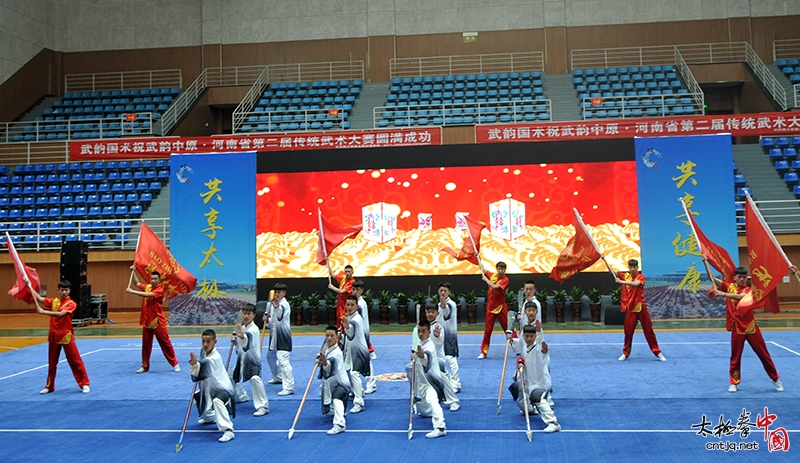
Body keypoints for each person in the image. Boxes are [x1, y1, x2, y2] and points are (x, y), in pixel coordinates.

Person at [702, 257, 784, 393]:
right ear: (734, 278)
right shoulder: (730, 287)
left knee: (764, 354)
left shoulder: (749, 290)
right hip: (737, 328)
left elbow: (741, 298)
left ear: (747, 279)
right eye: (739, 277)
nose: (742, 279)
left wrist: (723, 294)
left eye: (744, 277)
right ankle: (734, 382)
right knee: (735, 356)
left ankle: (775, 379)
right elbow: (712, 279)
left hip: (751, 327)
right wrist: (705, 262)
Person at [30, 280, 90, 394]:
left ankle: (84, 383)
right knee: (52, 363)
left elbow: (60, 314)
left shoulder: (71, 303)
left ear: (69, 291)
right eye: (62, 290)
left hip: (66, 335)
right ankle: (49, 386)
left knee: (75, 361)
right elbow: (39, 299)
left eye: (66, 290)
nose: (64, 292)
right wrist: (30, 286)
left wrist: (44, 312)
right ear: (58, 290)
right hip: (53, 336)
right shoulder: (54, 301)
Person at [605, 258, 666, 362]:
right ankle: (625, 353)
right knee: (628, 332)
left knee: (649, 331)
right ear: (628, 267)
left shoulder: (640, 277)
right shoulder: (625, 276)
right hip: (630, 309)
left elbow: (636, 284)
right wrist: (604, 259)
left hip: (641, 307)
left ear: (637, 268)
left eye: (634, 267)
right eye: (631, 267)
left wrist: (621, 282)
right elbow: (612, 271)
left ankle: (657, 352)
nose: (632, 269)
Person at [506, 325, 561, 433]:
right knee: (515, 388)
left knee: (536, 397)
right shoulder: (524, 349)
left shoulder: (538, 349)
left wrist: (544, 352)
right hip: (527, 381)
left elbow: (543, 358)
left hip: (540, 383)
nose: (529, 339)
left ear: (535, 336)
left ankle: (553, 423)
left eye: (531, 336)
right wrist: (520, 362)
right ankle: (529, 410)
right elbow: (521, 357)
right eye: (526, 336)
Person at [126, 266, 179, 374]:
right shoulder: (148, 286)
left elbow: (147, 295)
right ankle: (145, 365)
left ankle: (174, 363)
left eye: (155, 279)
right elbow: (136, 283)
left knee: (165, 342)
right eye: (152, 279)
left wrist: (132, 292)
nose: (153, 280)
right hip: (147, 320)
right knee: (146, 344)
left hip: (157, 320)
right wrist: (133, 271)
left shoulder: (159, 290)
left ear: (159, 280)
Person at [190, 329, 236, 443]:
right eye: (203, 341)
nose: (205, 344)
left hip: (223, 389)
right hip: (209, 389)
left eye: (208, 341)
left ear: (215, 342)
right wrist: (196, 366)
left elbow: (200, 371)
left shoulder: (214, 358)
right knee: (197, 397)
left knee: (217, 401)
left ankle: (228, 430)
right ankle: (210, 418)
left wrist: (195, 365)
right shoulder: (203, 352)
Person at [407, 318, 447, 438]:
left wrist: (420, 356)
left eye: (423, 331)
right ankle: (428, 413)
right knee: (423, 404)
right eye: (419, 331)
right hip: (423, 382)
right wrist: (415, 356)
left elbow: (425, 357)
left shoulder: (429, 346)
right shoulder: (422, 344)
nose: (420, 334)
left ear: (429, 332)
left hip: (431, 382)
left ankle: (440, 427)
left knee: (432, 401)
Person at [231, 303, 270, 416]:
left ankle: (263, 406)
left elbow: (246, 340)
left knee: (255, 379)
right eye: (244, 313)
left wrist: (241, 336)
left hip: (253, 360)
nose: (246, 316)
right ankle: (241, 396)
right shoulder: (242, 328)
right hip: (242, 359)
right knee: (232, 377)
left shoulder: (253, 329)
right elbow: (240, 347)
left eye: (249, 314)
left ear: (253, 315)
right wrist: (235, 342)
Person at [421, 302, 459, 411]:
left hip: (438, 359)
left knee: (444, 380)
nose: (430, 314)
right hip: (425, 358)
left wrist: (437, 336)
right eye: (428, 312)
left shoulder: (439, 326)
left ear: (437, 313)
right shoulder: (422, 326)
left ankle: (453, 400)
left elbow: (440, 342)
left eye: (432, 312)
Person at [318, 325, 351, 435]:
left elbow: (329, 364)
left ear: (337, 337)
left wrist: (324, 363)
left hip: (341, 384)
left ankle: (339, 424)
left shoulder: (336, 353)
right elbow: (322, 354)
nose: (329, 338)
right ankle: (338, 411)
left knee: (337, 398)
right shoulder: (327, 348)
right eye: (327, 336)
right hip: (332, 383)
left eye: (332, 336)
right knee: (322, 389)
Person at [341, 295, 370, 413]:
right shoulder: (350, 317)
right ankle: (358, 391)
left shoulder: (356, 319)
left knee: (354, 373)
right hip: (350, 349)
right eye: (347, 305)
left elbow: (351, 334)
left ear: (357, 306)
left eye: (352, 305)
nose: (349, 307)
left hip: (358, 350)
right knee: (347, 370)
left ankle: (359, 402)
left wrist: (347, 327)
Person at [264, 283, 294, 395]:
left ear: (284, 293)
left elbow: (280, 316)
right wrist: (267, 319)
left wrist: (276, 307)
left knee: (283, 360)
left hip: (283, 335)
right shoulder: (273, 304)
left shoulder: (284, 305)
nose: (277, 294)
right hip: (274, 334)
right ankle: (277, 377)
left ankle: (289, 386)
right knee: (270, 356)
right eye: (276, 292)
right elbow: (272, 320)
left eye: (279, 292)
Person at [479, 261, 509, 358]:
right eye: (499, 269)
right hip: (491, 308)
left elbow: (495, 287)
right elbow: (483, 268)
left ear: (505, 270)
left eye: (502, 269)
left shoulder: (505, 279)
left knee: (508, 329)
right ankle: (484, 352)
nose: (500, 271)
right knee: (487, 331)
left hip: (501, 307)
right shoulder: (492, 275)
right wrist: (477, 257)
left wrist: (485, 280)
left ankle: (517, 347)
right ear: (496, 269)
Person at [352, 280, 377, 394]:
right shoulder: (356, 303)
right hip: (358, 335)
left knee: (365, 359)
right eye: (354, 289)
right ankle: (356, 386)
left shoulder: (360, 304)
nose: (355, 292)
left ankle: (371, 384)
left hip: (362, 335)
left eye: (357, 290)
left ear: (362, 290)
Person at [437, 282, 461, 392]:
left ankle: (456, 383)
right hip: (439, 336)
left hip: (449, 335)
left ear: (449, 292)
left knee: (451, 359)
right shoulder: (437, 305)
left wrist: (443, 305)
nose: (442, 293)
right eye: (441, 290)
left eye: (445, 291)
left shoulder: (451, 304)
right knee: (439, 360)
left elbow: (446, 313)